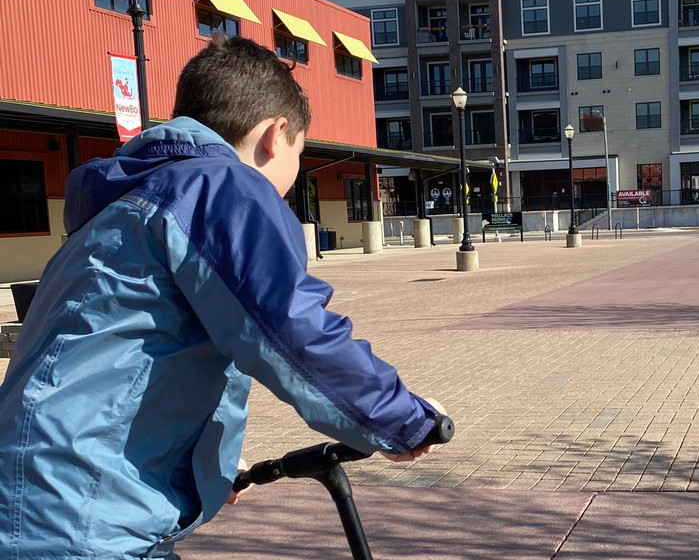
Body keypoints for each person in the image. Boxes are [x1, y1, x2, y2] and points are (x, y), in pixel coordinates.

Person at [0, 37, 443, 558]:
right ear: (277, 135)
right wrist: (403, 419)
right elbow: (289, 331)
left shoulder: (130, 201)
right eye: (300, 153)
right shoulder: (218, 187)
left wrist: (206, 476)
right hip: (81, 519)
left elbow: (138, 358)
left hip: (42, 494)